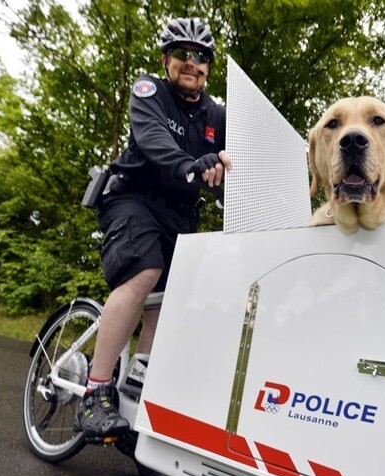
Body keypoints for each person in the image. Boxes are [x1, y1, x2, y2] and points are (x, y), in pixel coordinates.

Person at [74, 17, 231, 442]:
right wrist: (190, 166)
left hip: (180, 215)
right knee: (146, 272)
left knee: (173, 300)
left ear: (209, 69)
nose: (191, 63)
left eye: (201, 58)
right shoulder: (151, 92)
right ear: (166, 59)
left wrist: (236, 190)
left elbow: (233, 166)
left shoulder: (217, 115)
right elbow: (151, 137)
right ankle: (96, 390)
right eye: (182, 53)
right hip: (133, 198)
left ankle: (135, 391)